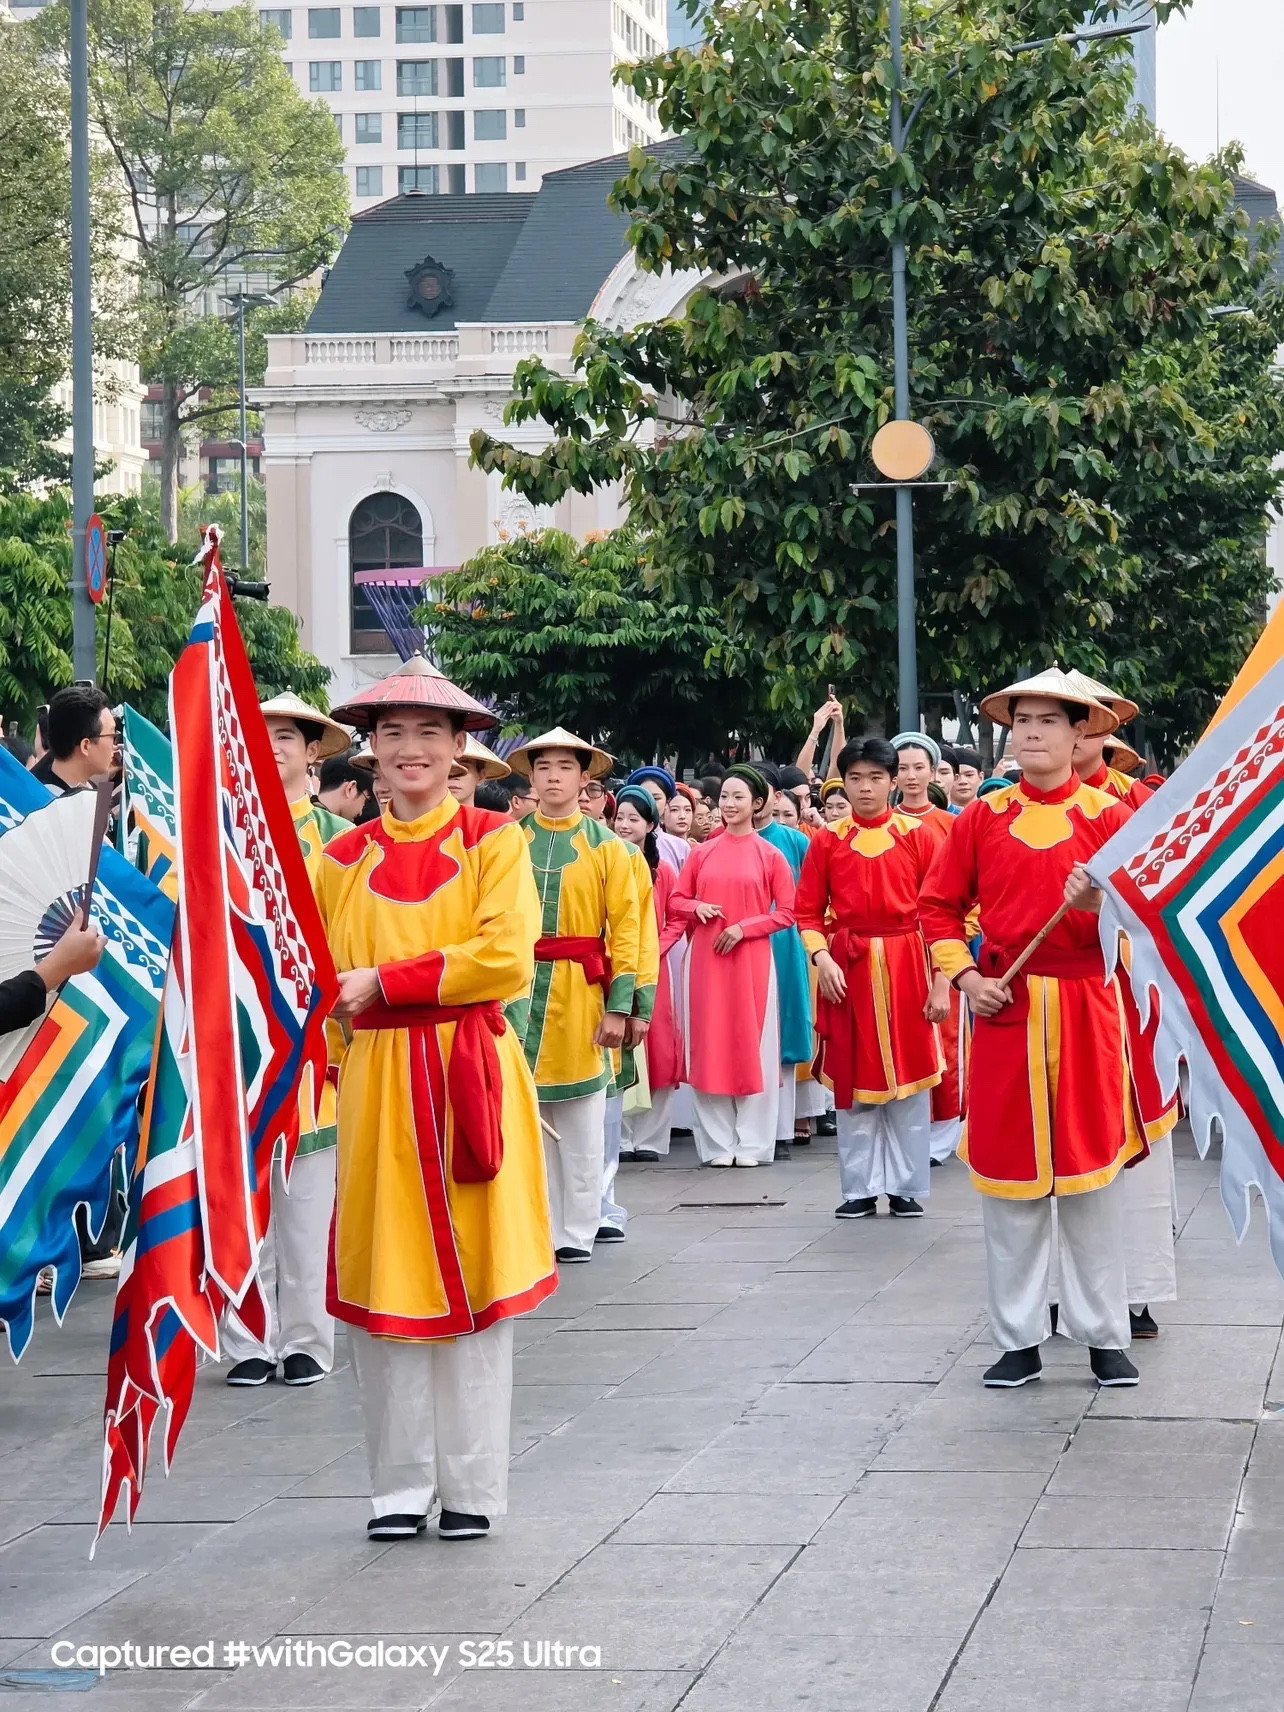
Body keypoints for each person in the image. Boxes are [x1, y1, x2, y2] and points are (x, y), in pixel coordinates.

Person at [316, 656, 554, 1542]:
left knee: (476, 1277)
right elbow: (317, 980)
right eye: (392, 733)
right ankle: (398, 1484)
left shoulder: (495, 841)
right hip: (377, 1080)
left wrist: (386, 979)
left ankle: (472, 1487)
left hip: (468, 1073)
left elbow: (506, 958)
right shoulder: (338, 859)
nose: (409, 748)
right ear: (370, 751)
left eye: (429, 732)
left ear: (460, 747)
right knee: (384, 1269)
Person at [918, 669, 1144, 1391]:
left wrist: (1099, 907)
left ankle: (1104, 1335)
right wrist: (967, 979)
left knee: (1091, 1185)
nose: (1034, 734)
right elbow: (937, 908)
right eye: (1023, 722)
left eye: (1050, 721)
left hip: (1086, 1012)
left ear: (1081, 733)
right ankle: (1017, 1339)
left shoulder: (1111, 819)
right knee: (1010, 1186)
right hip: (1004, 1012)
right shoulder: (981, 818)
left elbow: (1145, 924)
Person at [221, 692, 352, 1389]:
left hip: (313, 1043)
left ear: (312, 751)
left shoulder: (341, 839)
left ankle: (306, 1338)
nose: (271, 748)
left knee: (305, 1203)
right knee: (240, 1199)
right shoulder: (220, 833)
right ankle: (246, 1338)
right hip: (237, 1044)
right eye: (258, 735)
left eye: (285, 738)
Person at [1065, 668, 1177, 1341]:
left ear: (1101, 728)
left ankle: (1136, 1291)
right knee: (1057, 1138)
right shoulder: (1007, 809)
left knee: (1139, 1141)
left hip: (1129, 996)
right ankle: (1058, 1294)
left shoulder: (1137, 805)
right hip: (1052, 999)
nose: (1067, 731)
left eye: (1078, 718)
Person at [795, 739, 943, 1220]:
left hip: (907, 964)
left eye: (876, 778)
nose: (865, 788)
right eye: (856, 778)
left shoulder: (918, 836)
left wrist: (941, 980)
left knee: (909, 1082)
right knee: (854, 1079)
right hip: (848, 967)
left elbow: (942, 912)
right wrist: (822, 958)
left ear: (893, 781)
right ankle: (858, 1186)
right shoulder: (827, 840)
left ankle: (906, 1186)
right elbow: (807, 912)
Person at [511, 728, 642, 1265]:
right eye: (544, 767)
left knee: (584, 1119)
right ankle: (532, 1228)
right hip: (518, 990)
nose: (554, 777)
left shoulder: (608, 848)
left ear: (585, 778)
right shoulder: (508, 841)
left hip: (581, 988)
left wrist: (621, 1006)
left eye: (565, 767)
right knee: (522, 1116)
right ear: (531, 776)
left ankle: (578, 1228)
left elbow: (628, 930)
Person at [661, 765, 797, 1167]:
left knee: (753, 1044)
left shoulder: (770, 855)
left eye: (739, 797)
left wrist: (744, 927)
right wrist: (697, 906)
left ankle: (753, 1144)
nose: (729, 804)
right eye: (724, 797)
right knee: (709, 1044)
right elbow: (676, 900)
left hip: (751, 960)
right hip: (705, 959)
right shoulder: (701, 852)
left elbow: (788, 912)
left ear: (757, 803)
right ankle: (717, 1144)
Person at [891, 734, 964, 1166]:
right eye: (902, 768)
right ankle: (904, 1131)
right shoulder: (882, 826)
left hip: (941, 946)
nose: (911, 776)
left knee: (946, 1038)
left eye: (919, 767)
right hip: (893, 950)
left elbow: (971, 896)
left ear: (934, 772)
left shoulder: (952, 826)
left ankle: (941, 1137)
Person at [598, 785, 661, 1237]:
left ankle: (599, 1206)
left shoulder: (622, 856)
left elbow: (637, 935)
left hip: (599, 990)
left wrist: (635, 1004)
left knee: (602, 1105)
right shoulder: (514, 841)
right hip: (531, 993)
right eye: (545, 767)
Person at [613, 788, 681, 1164]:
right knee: (620, 1044)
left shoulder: (663, 870)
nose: (624, 825)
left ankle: (652, 1137)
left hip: (655, 969)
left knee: (659, 1049)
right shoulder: (608, 862)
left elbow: (676, 918)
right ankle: (621, 1136)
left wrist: (653, 949)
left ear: (651, 825)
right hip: (617, 966)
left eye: (633, 818)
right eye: (620, 817)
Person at [753, 767, 813, 1161]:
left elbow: (813, 897)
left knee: (784, 1033)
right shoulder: (716, 843)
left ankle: (781, 1128)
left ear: (773, 797)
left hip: (786, 945)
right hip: (738, 947)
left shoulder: (795, 841)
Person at [32, 685, 117, 796]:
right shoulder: (50, 802)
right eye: (112, 735)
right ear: (85, 746)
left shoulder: (91, 791)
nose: (115, 746)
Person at [626, 767, 690, 872]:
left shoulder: (680, 847)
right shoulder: (619, 843)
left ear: (667, 802)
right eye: (643, 797)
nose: (649, 803)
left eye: (656, 798)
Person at [448, 734, 511, 807]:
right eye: (448, 767)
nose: (454, 776)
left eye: (464, 767)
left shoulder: (490, 815)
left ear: (481, 776)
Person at [796, 695, 846, 781]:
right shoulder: (800, 785)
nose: (815, 784)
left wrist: (839, 723)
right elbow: (799, 777)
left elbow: (837, 764)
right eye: (811, 780)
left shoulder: (828, 789)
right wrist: (815, 730)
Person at [316, 754, 373, 823]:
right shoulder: (341, 828)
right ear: (350, 789)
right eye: (365, 801)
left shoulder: (305, 817)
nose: (360, 812)